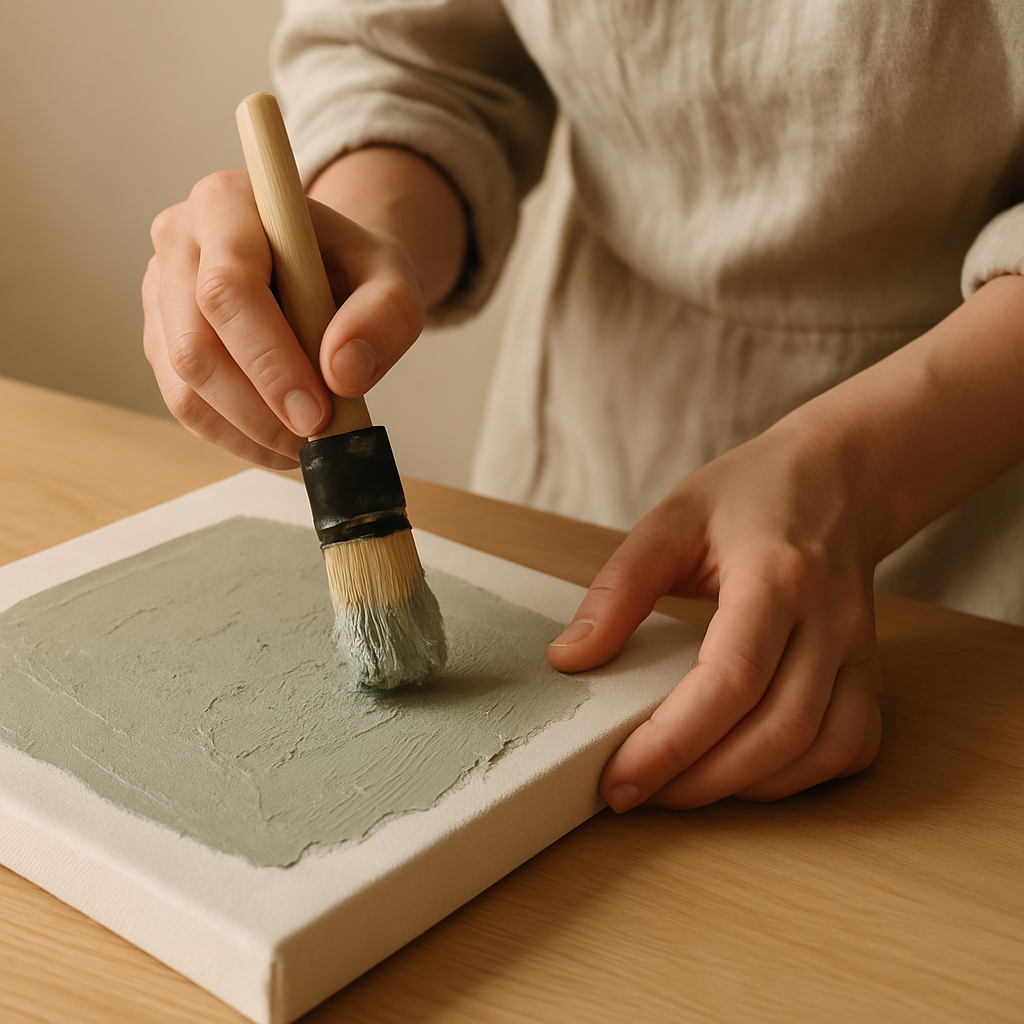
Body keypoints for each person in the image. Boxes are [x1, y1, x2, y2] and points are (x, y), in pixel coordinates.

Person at [142, 2, 1024, 814]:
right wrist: (353, 252)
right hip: (585, 447)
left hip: (978, 500)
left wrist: (860, 471)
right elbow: (421, 62)